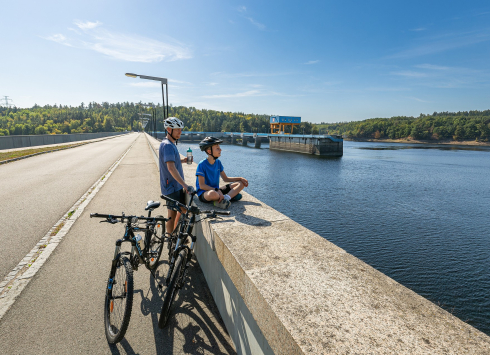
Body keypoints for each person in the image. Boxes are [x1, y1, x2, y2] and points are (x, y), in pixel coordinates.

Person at [159, 117, 193, 233]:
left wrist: (183, 160)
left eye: (180, 129)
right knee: (174, 214)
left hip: (172, 186)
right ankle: (171, 238)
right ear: (169, 129)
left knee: (174, 212)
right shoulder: (168, 145)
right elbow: (171, 168)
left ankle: (172, 237)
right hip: (172, 187)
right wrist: (185, 185)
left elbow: (172, 162)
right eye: (177, 129)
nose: (180, 132)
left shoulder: (169, 144)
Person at [195, 136, 248, 209]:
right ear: (209, 151)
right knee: (212, 194)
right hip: (205, 193)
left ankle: (226, 198)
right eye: (217, 148)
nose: (220, 149)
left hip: (217, 190)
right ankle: (225, 197)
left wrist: (240, 178)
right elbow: (202, 186)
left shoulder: (218, 163)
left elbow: (225, 179)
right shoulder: (202, 165)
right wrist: (217, 190)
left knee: (241, 183)